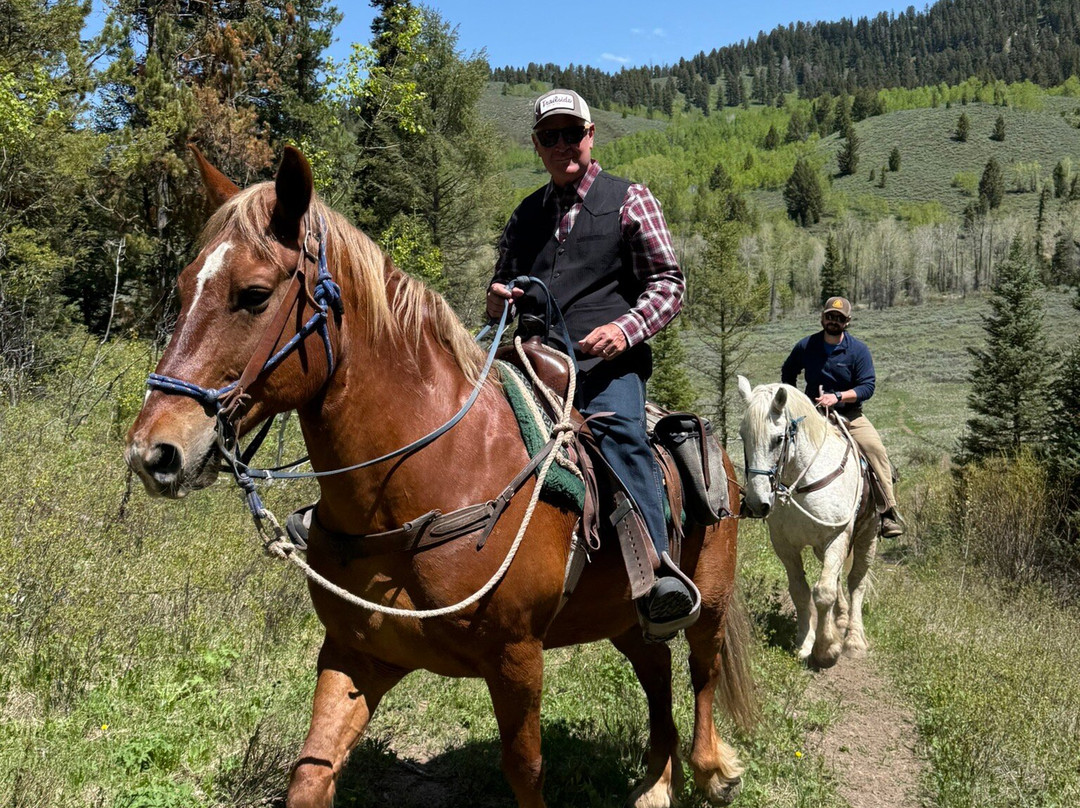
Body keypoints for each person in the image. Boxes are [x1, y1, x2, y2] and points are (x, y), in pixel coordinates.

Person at [486, 88, 693, 635]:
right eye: (549, 136)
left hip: (604, 368)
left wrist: (625, 331)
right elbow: (502, 284)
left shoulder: (629, 200)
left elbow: (668, 283)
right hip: (529, 360)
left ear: (591, 135)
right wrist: (498, 299)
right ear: (536, 145)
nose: (562, 145)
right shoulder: (525, 214)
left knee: (621, 434)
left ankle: (658, 574)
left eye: (571, 133)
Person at [780, 296, 904, 538]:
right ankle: (765, 499)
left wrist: (838, 397)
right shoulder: (806, 346)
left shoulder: (858, 350)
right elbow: (788, 372)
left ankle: (887, 512)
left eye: (839, 318)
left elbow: (867, 386)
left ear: (847, 322)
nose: (833, 321)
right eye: (830, 316)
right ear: (822, 317)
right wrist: (796, 401)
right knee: (778, 441)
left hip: (849, 415)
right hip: (813, 414)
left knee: (875, 450)